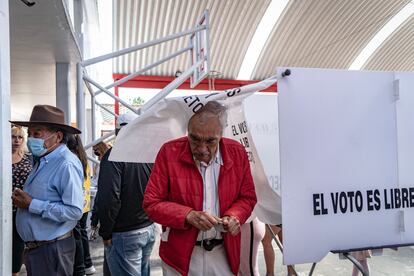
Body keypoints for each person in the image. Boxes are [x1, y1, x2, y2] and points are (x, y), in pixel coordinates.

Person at [143, 100, 257, 276]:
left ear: (221, 133)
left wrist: (235, 216)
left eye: (211, 141)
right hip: (179, 257)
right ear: (187, 131)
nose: (202, 149)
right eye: (194, 139)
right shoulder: (169, 152)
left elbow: (248, 197)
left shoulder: (237, 152)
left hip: (224, 254)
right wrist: (187, 215)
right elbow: (151, 203)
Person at [11, 105, 84, 276]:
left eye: (37, 134)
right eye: (29, 134)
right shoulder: (44, 160)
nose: (30, 139)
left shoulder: (65, 164)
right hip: (40, 249)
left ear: (57, 136)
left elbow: (74, 211)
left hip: (52, 250)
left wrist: (31, 204)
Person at [96, 113, 155, 276]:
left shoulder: (114, 155)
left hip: (124, 234)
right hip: (147, 229)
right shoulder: (147, 156)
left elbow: (109, 199)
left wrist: (106, 232)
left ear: (116, 132)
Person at [67, 134, 96, 276]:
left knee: (77, 237)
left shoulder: (72, 160)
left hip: (76, 204)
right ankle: (87, 263)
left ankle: (80, 268)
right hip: (85, 204)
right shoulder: (83, 159)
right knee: (82, 233)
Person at [11, 125, 33, 276]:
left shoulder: (28, 158)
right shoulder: (2, 156)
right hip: (3, 208)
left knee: (18, 245)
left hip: (21, 208)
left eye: (20, 137)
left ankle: (14, 272)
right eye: (13, 137)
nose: (17, 141)